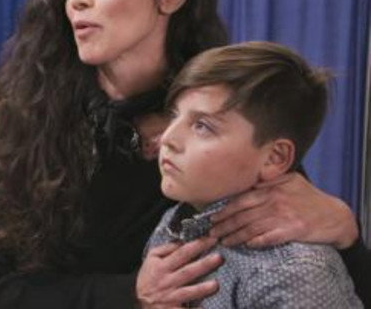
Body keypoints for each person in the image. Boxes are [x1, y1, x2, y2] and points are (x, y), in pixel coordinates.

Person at [0, 0, 371, 308]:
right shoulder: (29, 118)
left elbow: (316, 275)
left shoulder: (231, 114)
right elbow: (1, 291)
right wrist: (131, 294)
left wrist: (346, 235)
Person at [147, 41, 361, 308]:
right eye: (174, 116)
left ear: (274, 158)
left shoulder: (294, 273)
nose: (167, 138)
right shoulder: (173, 223)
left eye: (202, 126)